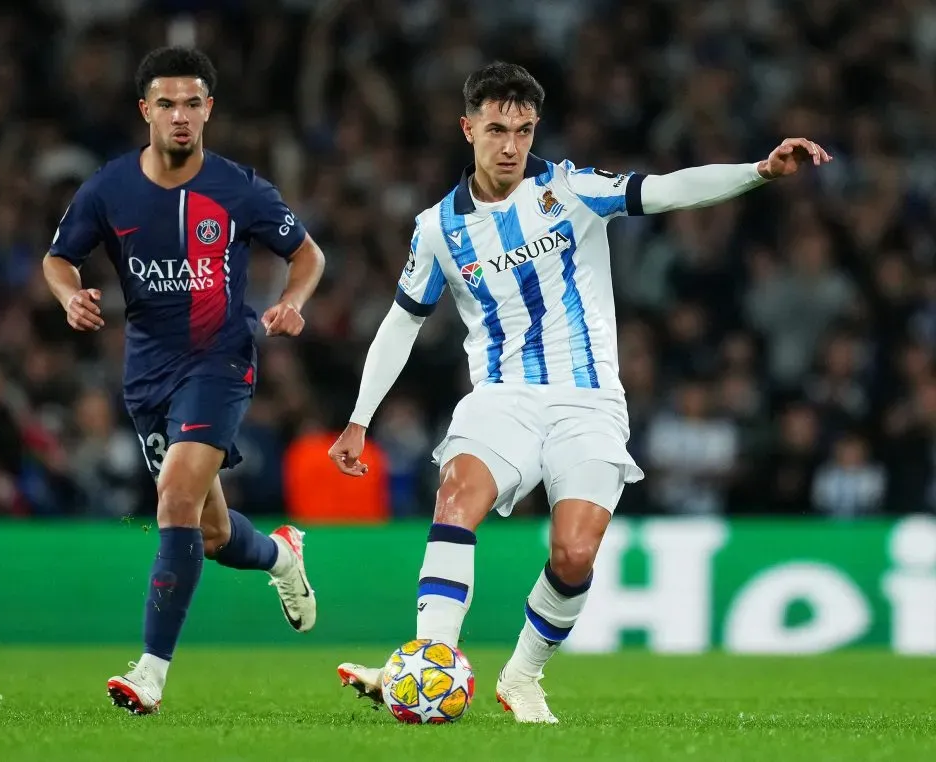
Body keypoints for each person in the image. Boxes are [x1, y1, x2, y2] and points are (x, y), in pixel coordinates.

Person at [327, 61, 830, 723]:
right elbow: (402, 322)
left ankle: (522, 677)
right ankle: (431, 661)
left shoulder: (571, 191)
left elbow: (668, 190)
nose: (511, 145)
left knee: (575, 552)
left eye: (525, 130)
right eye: (498, 129)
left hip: (589, 400)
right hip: (501, 396)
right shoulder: (437, 229)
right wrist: (360, 417)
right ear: (467, 128)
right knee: (456, 497)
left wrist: (757, 172)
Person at [42, 47, 326, 714]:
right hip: (147, 377)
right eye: (166, 103)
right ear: (145, 110)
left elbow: (308, 254)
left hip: (220, 363)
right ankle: (282, 556)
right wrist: (68, 295)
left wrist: (294, 302)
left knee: (173, 499)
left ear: (209, 111)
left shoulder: (239, 188)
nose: (180, 115)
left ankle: (150, 673)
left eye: (192, 103)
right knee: (213, 534)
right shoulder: (109, 189)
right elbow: (59, 258)